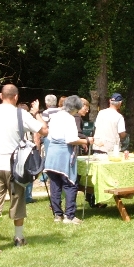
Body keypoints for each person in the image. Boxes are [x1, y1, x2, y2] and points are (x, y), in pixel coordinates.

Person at [0, 84, 47, 254]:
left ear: (1, 96)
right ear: (16, 97)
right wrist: (36, 113)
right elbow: (44, 130)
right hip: (16, 166)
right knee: (17, 201)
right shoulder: (21, 114)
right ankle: (18, 237)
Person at [44, 96, 90, 224]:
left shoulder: (56, 116)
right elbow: (71, 139)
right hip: (64, 153)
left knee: (55, 184)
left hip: (52, 152)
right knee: (70, 184)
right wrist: (86, 140)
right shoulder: (69, 118)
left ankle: (57, 215)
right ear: (75, 108)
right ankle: (69, 216)